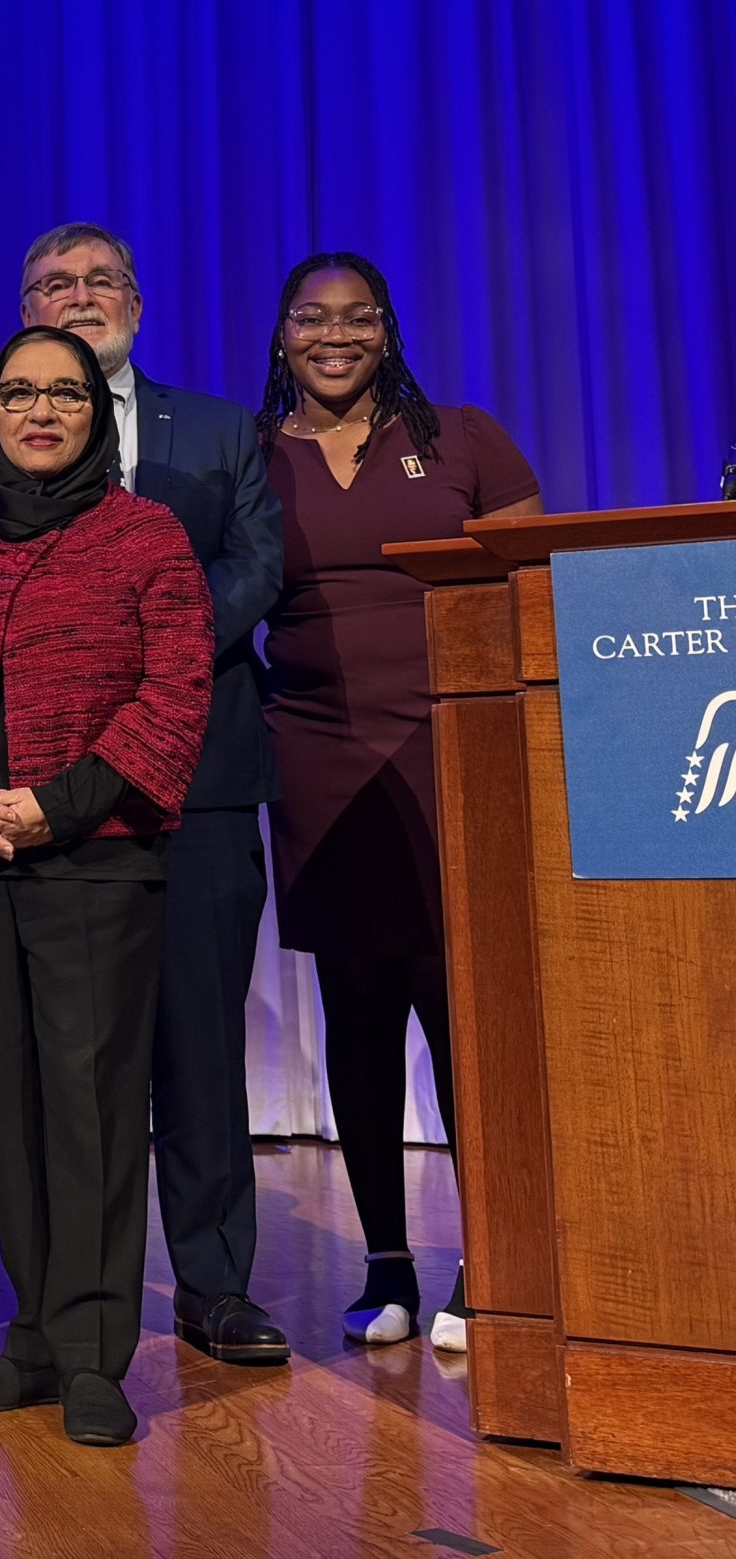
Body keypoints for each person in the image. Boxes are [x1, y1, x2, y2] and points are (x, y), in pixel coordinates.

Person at [0, 222, 290, 1365]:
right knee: (41, 1069)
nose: (77, 295)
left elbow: (255, 568)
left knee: (194, 1040)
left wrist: (150, 659)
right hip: (26, 801)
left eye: (96, 281)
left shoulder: (225, 430)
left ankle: (214, 1284)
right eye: (51, 283)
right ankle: (52, 1317)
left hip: (196, 777)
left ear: (135, 297)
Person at [0, 327, 213, 1446]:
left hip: (93, 856)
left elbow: (174, 695)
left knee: (91, 1112)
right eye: (17, 393)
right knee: (9, 1108)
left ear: (93, 412)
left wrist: (52, 805)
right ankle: (30, 1335)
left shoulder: (146, 536)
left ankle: (91, 1354)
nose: (40, 412)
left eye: (64, 394)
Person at [255, 250, 541, 1351]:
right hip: (314, 758)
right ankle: (385, 1265)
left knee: (459, 1011)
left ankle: (493, 1254)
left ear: (387, 330)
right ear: (280, 335)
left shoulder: (461, 438)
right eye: (311, 319)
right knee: (358, 1011)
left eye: (358, 317)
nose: (335, 336)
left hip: (448, 753)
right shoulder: (248, 456)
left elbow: (531, 587)